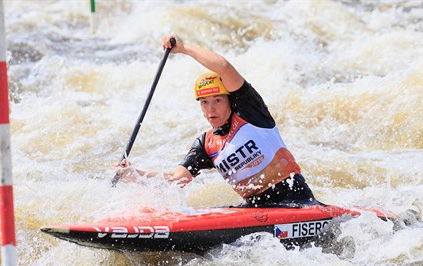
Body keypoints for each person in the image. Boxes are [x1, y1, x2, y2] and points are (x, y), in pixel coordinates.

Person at [116, 33, 318, 207]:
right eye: (204, 102)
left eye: (218, 100)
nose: (210, 109)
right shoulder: (206, 144)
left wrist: (184, 47)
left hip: (296, 200)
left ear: (230, 100)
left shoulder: (250, 112)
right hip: (256, 210)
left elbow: (223, 67)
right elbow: (175, 179)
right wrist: (131, 174)